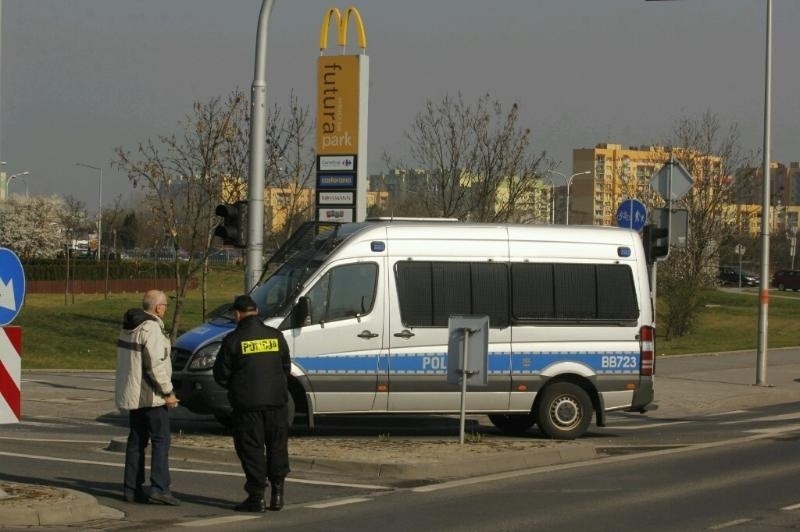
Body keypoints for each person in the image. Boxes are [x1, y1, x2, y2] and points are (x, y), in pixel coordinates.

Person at [213, 294, 291, 513]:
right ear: (256, 312)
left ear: (237, 314)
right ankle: (277, 494)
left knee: (251, 450)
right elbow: (285, 367)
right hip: (277, 403)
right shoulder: (276, 336)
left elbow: (221, 374)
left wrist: (238, 386)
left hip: (247, 406)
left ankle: (257, 497)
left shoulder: (233, 339)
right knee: (277, 447)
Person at [115, 289, 181, 506]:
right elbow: (155, 365)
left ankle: (131, 488)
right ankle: (160, 488)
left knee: (136, 440)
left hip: (134, 394)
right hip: (151, 395)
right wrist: (168, 393)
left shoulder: (129, 326)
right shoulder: (151, 328)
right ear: (158, 307)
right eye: (165, 306)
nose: (166, 309)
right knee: (161, 440)